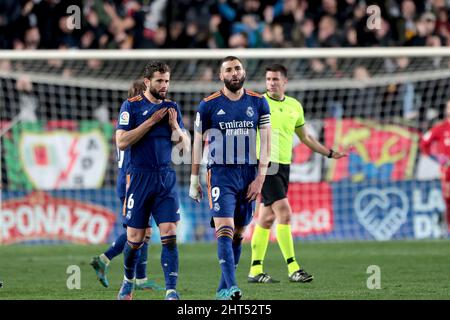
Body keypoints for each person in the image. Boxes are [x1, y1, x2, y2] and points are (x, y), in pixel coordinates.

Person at [248, 64, 347, 284]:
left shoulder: (294, 105)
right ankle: (293, 268)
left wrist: (329, 153)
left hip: (284, 166)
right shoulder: (257, 104)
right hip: (265, 165)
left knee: (267, 218)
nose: (271, 83)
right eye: (268, 79)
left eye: (275, 79)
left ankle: (255, 270)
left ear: (285, 82)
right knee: (285, 212)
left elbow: (305, 138)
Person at [189, 56, 271, 300]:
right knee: (224, 229)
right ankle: (234, 287)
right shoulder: (208, 105)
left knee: (238, 233)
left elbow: (266, 145)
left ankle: (222, 290)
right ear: (221, 76)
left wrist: (260, 179)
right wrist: (194, 179)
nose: (234, 73)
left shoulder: (258, 102)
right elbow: (196, 143)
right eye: (229, 70)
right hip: (221, 173)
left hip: (248, 174)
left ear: (243, 72)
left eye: (237, 68)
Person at [115, 61, 189, 300]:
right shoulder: (131, 106)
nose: (164, 85)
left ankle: (171, 291)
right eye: (159, 80)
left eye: (167, 80)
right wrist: (149, 122)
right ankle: (128, 281)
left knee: (169, 233)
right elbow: (122, 142)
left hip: (165, 178)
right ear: (147, 82)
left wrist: (174, 126)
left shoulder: (172, 107)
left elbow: (185, 148)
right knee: (135, 239)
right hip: (139, 177)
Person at [90, 80, 162, 291]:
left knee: (145, 230)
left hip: (132, 178)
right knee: (138, 231)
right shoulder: (136, 122)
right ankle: (105, 259)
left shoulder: (127, 121)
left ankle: (140, 279)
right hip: (133, 180)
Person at [420, 100, 450, 234]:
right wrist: (435, 158)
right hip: (447, 170)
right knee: (448, 200)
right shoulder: (440, 128)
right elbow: (424, 142)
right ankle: (448, 227)